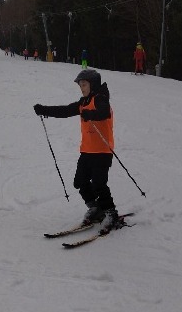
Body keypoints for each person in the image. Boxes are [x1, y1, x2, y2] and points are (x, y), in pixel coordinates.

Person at [33, 69, 120, 232]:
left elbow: (103, 112)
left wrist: (90, 114)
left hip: (102, 151)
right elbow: (65, 111)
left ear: (93, 84)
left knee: (99, 183)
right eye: (80, 85)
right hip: (86, 151)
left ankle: (111, 213)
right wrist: (44, 110)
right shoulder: (83, 102)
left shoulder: (101, 99)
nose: (81, 88)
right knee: (79, 182)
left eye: (84, 84)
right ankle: (95, 208)